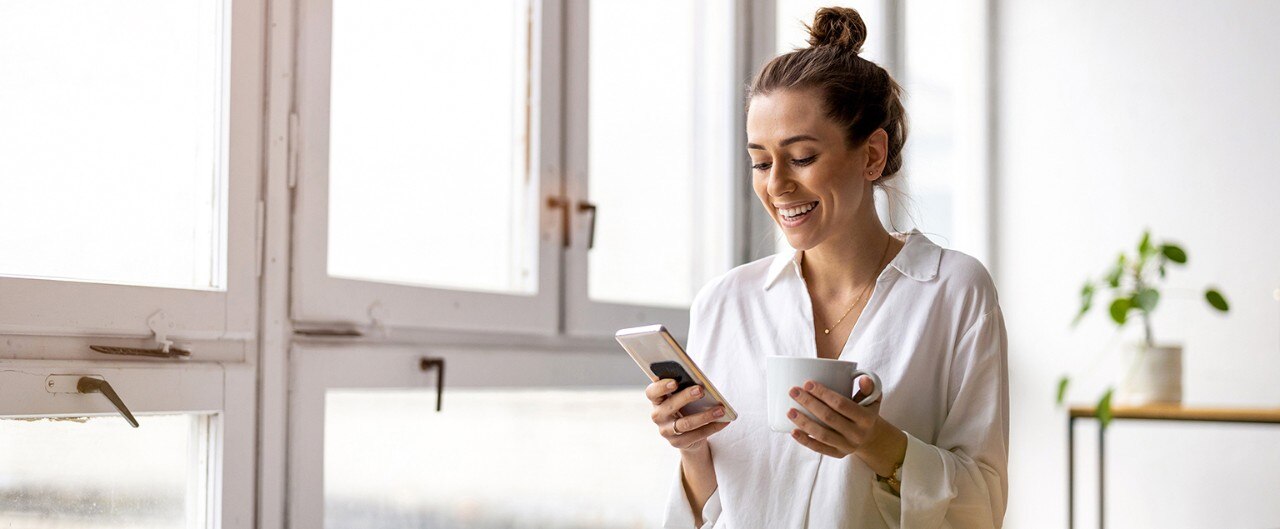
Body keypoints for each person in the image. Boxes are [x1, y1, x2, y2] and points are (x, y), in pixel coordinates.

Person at [644, 7, 1009, 528]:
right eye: (761, 162)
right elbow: (706, 513)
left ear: (872, 155)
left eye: (802, 157)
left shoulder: (954, 291)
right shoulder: (725, 303)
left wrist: (877, 443)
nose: (776, 186)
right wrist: (692, 450)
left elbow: (983, 508)